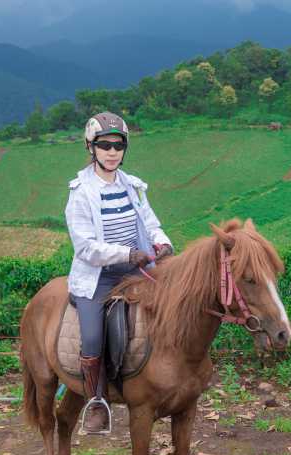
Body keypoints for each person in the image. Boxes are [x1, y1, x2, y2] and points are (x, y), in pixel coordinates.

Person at [65, 112, 173, 433]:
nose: (112, 152)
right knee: (94, 337)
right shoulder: (80, 193)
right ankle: (96, 399)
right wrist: (127, 253)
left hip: (138, 267)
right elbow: (86, 247)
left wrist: (162, 243)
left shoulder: (133, 186)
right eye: (105, 145)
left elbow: (150, 223)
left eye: (118, 145)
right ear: (91, 147)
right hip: (99, 276)